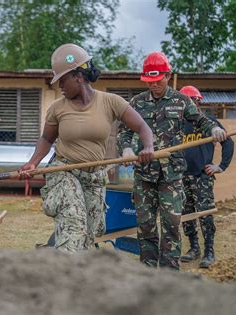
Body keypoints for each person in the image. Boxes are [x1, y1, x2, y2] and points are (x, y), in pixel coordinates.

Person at [18, 43, 154, 252]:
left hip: (94, 176)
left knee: (90, 235)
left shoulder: (111, 102)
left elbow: (142, 126)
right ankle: (65, 274)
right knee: (73, 222)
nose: (60, 86)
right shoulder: (58, 108)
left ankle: (59, 261)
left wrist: (147, 147)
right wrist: (33, 162)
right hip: (64, 171)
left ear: (78, 77)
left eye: (62, 81)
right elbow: (46, 139)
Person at [118, 52, 227, 270]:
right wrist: (127, 148)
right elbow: (124, 131)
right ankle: (148, 271)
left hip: (172, 175)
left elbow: (201, 121)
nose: (154, 85)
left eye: (158, 80)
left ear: (168, 75)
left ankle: (169, 274)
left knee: (171, 225)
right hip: (144, 173)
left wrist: (214, 129)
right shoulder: (136, 103)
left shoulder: (181, 101)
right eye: (150, 81)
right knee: (146, 225)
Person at [179, 85, 234, 268]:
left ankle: (209, 251)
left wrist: (220, 166)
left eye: (193, 101)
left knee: (205, 214)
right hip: (182, 178)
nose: (190, 105)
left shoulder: (208, 122)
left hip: (202, 177)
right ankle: (193, 248)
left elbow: (228, 143)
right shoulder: (177, 125)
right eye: (186, 102)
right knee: (186, 215)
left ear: (198, 101)